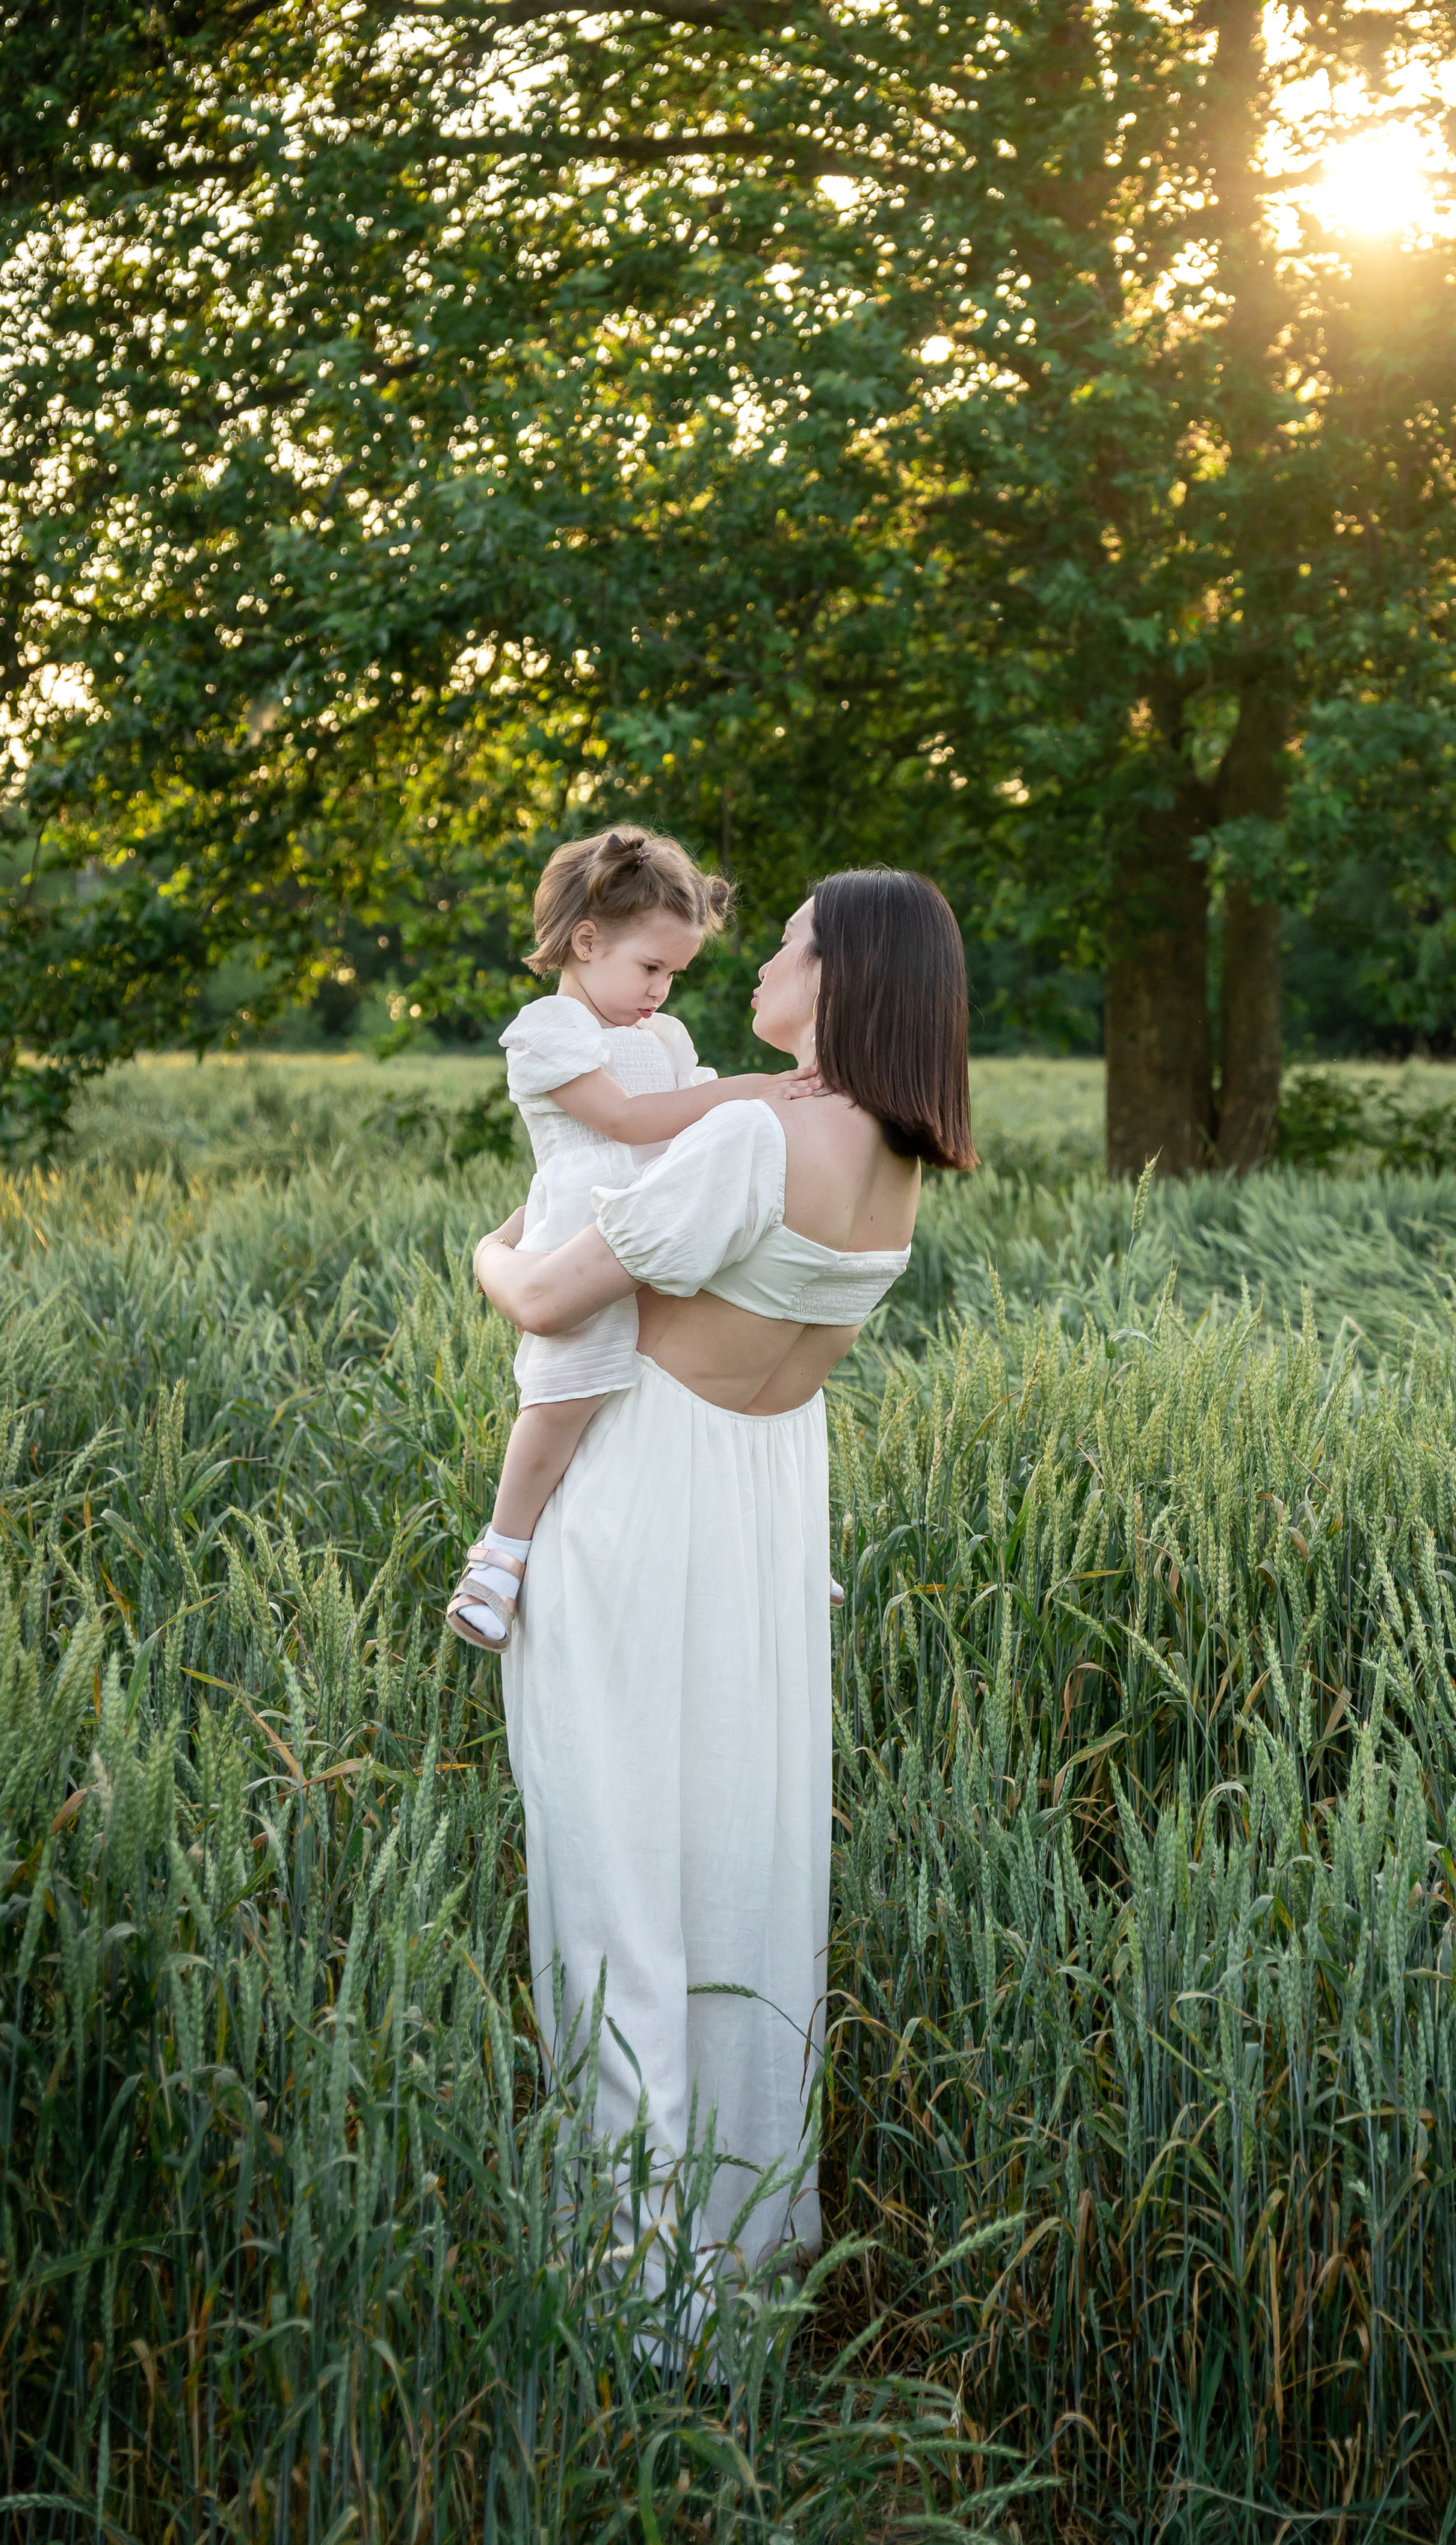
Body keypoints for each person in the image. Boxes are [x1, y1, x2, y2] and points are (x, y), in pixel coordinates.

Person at [471, 868, 974, 2290]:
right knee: (739, 1865)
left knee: (618, 1865)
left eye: (790, 943)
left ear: (845, 977)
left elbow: (555, 1298)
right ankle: (746, 2234)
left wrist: (487, 1250)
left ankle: (637, 2274)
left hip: (643, 1501)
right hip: (760, 1522)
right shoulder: (895, 1157)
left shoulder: (755, 1135)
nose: (760, 962)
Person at [450, 824, 811, 1652]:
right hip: (584, 1233)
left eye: (674, 976)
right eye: (650, 968)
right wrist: (753, 1092)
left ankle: (772, 1543)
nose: (660, 992)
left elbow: (685, 1136)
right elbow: (622, 1118)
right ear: (585, 941)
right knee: (563, 1399)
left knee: (696, 1398)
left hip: (665, 1229)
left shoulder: (667, 1037)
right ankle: (500, 1557)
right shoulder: (549, 1030)